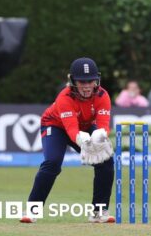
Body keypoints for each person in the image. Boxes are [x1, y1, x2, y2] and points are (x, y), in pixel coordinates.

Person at [20, 58, 115, 223]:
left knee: (105, 161)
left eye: (90, 81)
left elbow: (103, 125)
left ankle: (98, 212)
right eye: (81, 81)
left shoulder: (102, 95)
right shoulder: (65, 96)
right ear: (73, 81)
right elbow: (71, 129)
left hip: (84, 126)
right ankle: (32, 210)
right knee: (53, 162)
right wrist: (84, 142)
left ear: (96, 80)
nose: (86, 86)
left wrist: (99, 137)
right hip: (55, 126)